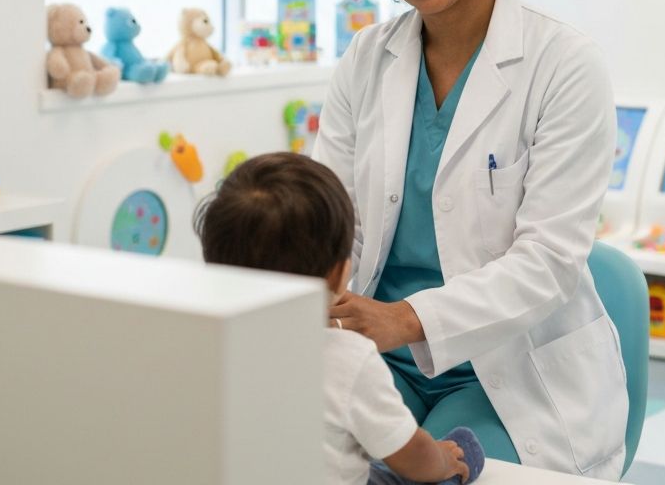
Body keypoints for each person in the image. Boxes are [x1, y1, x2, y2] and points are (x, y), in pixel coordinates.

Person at [311, 0, 628, 478]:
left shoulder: (562, 64)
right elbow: (324, 219)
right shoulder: (366, 60)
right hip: (371, 358)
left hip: (508, 370)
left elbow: (548, 262)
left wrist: (405, 319)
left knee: (420, 476)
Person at [194, 152, 486, 485]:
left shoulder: (204, 347)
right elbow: (411, 454)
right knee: (460, 449)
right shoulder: (348, 358)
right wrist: (443, 460)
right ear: (338, 273)